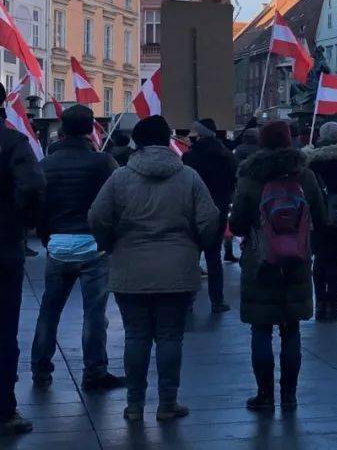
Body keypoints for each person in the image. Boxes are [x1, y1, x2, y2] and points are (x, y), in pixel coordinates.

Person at [88, 115, 219, 423]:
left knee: (136, 336)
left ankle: (134, 405)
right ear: (167, 140)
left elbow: (97, 216)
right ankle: (167, 403)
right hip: (177, 267)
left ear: (137, 141)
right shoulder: (188, 176)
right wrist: (196, 245)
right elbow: (210, 219)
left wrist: (110, 242)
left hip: (130, 266)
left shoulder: (120, 177)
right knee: (170, 337)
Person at [229, 120, 325, 411]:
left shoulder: (250, 176)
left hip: (260, 260)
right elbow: (321, 217)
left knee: (260, 329)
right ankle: (290, 395)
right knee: (291, 328)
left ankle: (265, 394)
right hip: (296, 259)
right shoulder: (305, 176)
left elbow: (236, 224)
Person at [31, 105, 124, 393]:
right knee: (94, 312)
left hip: (58, 242)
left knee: (50, 309)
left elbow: (39, 206)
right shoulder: (102, 162)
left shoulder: (45, 164)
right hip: (93, 245)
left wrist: (48, 237)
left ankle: (40, 368)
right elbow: (116, 203)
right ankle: (95, 371)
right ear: (90, 128)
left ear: (62, 127)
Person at [0, 83, 44, 436]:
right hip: (3, 246)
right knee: (4, 329)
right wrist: (19, 219)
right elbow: (31, 186)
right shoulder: (12, 143)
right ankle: (4, 407)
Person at [182, 118, 237, 313]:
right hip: (219, 209)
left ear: (199, 134)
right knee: (214, 257)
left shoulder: (190, 157)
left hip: (194, 211)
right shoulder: (227, 155)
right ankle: (217, 300)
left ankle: (188, 301)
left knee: (192, 257)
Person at [303, 121, 337, 321]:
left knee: (319, 259)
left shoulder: (311, 159)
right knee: (334, 260)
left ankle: (320, 304)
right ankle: (332, 304)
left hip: (315, 215)